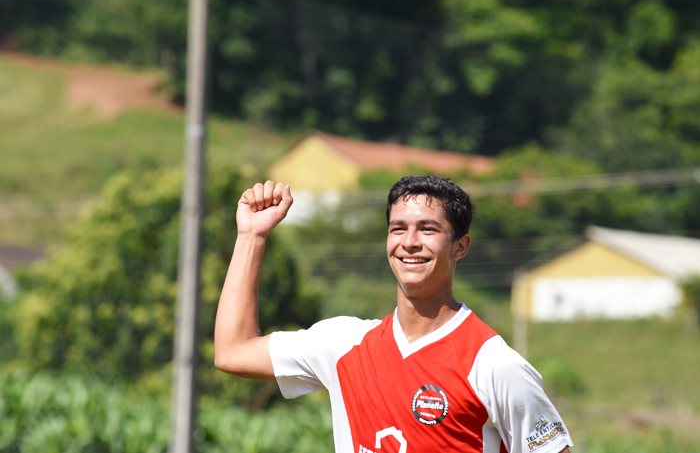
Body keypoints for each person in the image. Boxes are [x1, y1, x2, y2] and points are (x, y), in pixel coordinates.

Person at [215, 176, 573, 453]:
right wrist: (251, 236)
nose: (410, 241)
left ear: (460, 247)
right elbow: (234, 351)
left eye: (428, 229)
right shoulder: (343, 345)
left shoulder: (494, 364)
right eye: (398, 228)